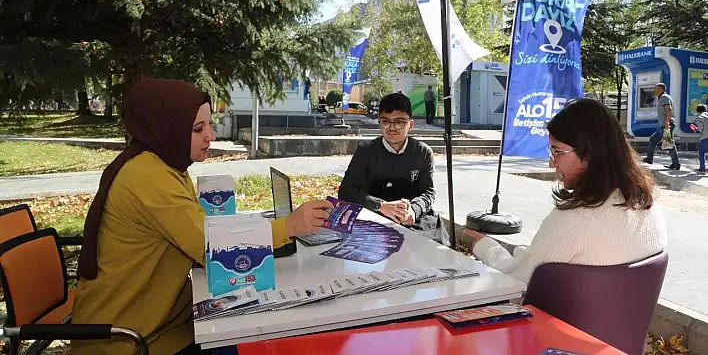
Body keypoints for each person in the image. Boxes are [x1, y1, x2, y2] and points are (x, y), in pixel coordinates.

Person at [71, 79, 333, 355]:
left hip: (165, 321)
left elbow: (198, 226)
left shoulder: (162, 164)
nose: (211, 135)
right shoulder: (147, 177)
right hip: (133, 339)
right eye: (198, 128)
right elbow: (212, 248)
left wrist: (263, 226)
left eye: (209, 124)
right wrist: (289, 226)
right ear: (166, 128)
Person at [465, 99, 667, 284]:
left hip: (556, 322)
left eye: (557, 151)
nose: (552, 162)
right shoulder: (648, 207)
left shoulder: (578, 217)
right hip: (624, 323)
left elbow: (517, 278)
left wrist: (484, 246)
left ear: (589, 153)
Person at [338, 93, 449, 245]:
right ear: (379, 123)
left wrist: (414, 210)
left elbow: (428, 192)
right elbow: (346, 191)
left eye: (399, 122)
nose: (392, 128)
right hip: (376, 218)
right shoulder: (366, 152)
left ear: (411, 124)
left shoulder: (422, 152)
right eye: (385, 121)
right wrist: (380, 206)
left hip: (414, 219)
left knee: (430, 249)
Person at [643, 83, 680, 170]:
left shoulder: (664, 97)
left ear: (661, 89)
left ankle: (676, 164)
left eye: (655, 89)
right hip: (663, 125)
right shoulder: (661, 97)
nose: (654, 90)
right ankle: (649, 159)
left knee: (670, 144)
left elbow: (668, 109)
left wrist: (667, 122)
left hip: (667, 124)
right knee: (653, 139)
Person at [693, 104, 708, 173]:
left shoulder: (700, 117)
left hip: (705, 137)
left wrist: (695, 129)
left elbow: (700, 128)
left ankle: (702, 168)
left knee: (701, 153)